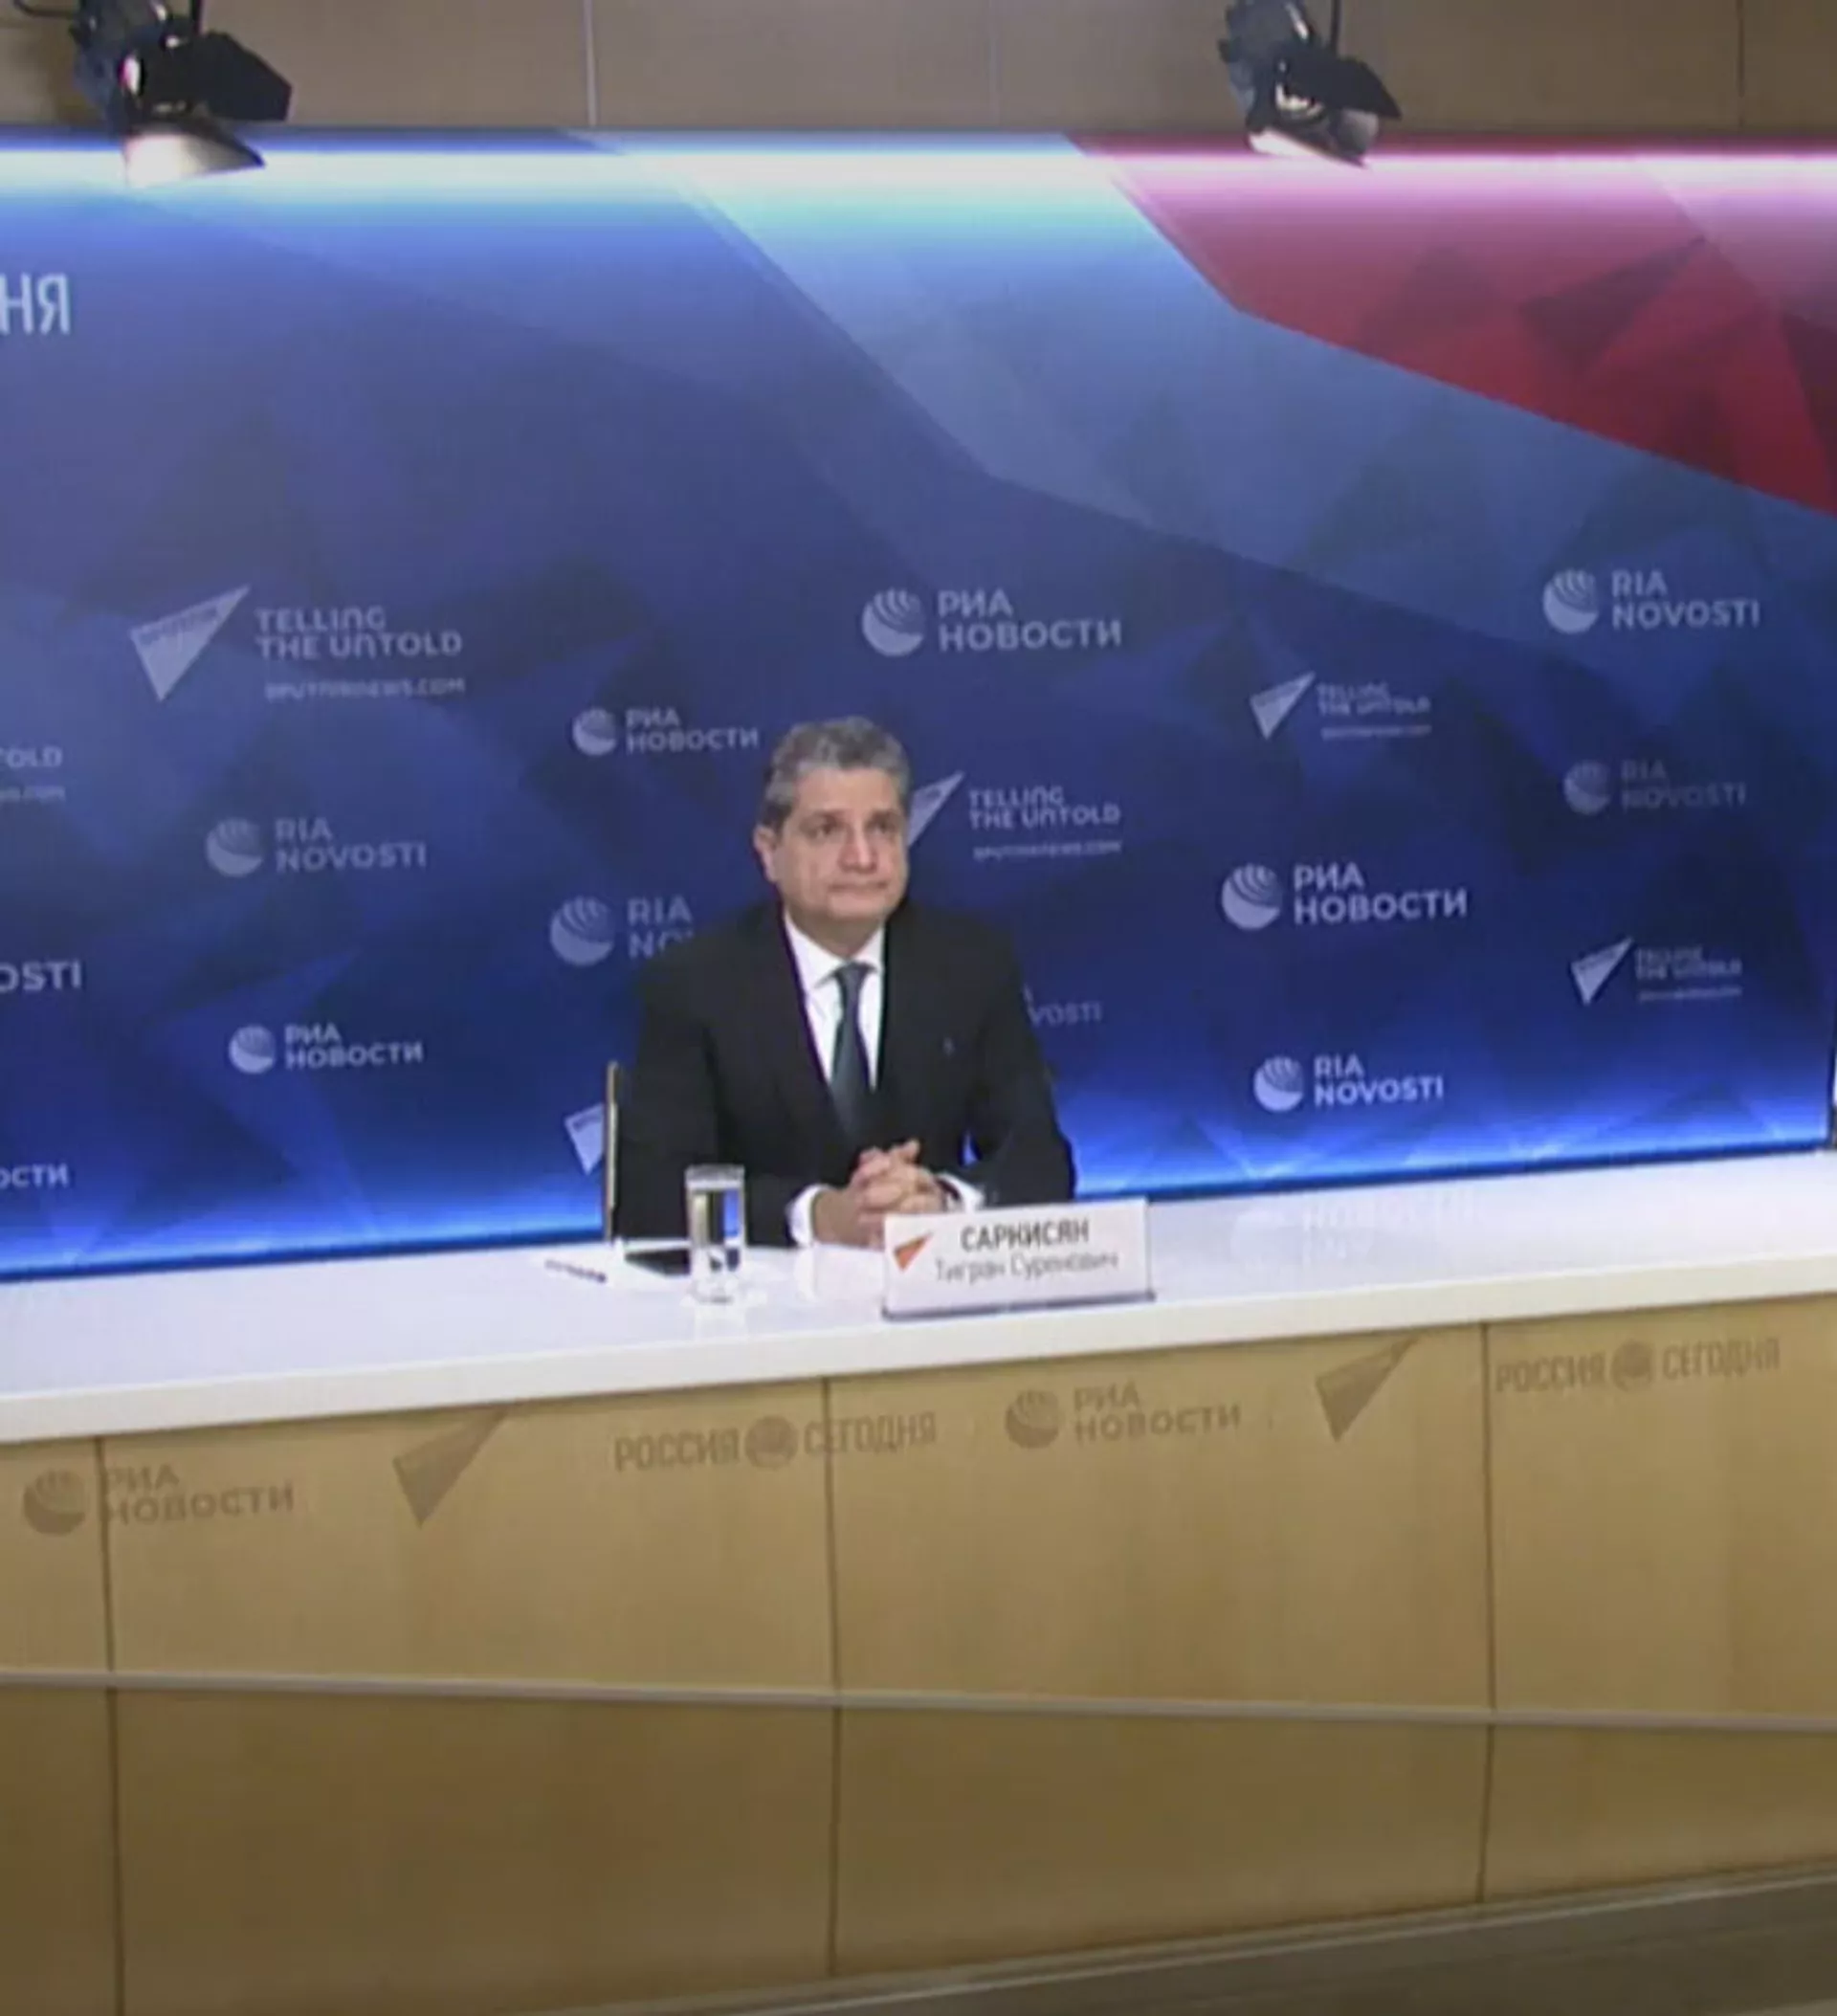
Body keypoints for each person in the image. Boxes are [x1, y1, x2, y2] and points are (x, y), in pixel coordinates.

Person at [614, 717, 1074, 1248]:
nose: (862, 858)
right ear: (768, 851)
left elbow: (1040, 1162)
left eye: (882, 828)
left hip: (928, 1283)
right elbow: (651, 1199)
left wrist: (943, 1201)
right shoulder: (695, 984)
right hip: (767, 1294)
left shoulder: (972, 966)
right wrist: (816, 1215)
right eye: (826, 831)